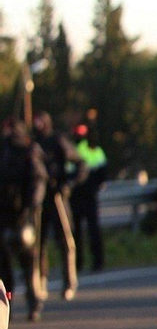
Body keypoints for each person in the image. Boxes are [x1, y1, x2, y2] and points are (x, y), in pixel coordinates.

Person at [32, 112, 84, 301]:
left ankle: (69, 282)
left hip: (56, 196)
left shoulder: (58, 141)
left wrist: (68, 185)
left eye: (40, 122)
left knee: (65, 240)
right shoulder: (32, 143)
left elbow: (80, 163)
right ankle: (40, 281)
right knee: (38, 242)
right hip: (38, 197)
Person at [0, 121, 47, 321]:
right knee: (4, 268)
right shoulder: (4, 152)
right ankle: (5, 306)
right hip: (4, 215)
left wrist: (30, 207)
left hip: (23, 215)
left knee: (28, 261)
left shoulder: (29, 152)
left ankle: (33, 301)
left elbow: (38, 180)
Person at [70, 123, 108, 273]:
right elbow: (103, 172)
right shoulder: (94, 150)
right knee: (90, 230)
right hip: (87, 196)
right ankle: (96, 262)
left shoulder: (73, 150)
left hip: (78, 196)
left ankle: (79, 263)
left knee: (79, 231)